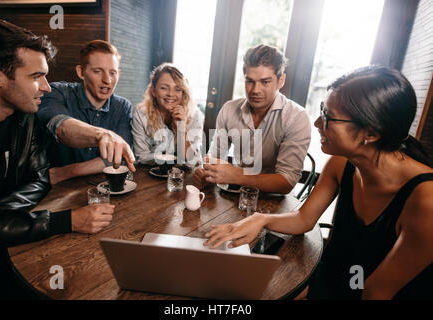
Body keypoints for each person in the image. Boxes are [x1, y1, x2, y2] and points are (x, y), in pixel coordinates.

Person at [204, 65, 433, 300]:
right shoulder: (341, 163)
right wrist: (261, 219)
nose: (316, 123)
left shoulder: (426, 201)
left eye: (328, 117)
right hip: (333, 280)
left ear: (371, 134)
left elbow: (376, 293)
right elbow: (304, 219)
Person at [0, 18, 117, 299]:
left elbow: (40, 178)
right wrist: (66, 221)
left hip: (8, 241)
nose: (46, 87)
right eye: (35, 77)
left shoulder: (25, 119)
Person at [193, 44, 311, 194]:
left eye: (265, 82)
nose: (255, 90)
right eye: (250, 81)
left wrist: (237, 176)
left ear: (281, 81)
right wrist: (205, 172)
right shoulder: (229, 109)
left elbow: (287, 181)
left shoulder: (297, 117)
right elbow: (215, 157)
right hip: (235, 193)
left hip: (274, 199)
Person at [37, 40, 135, 184]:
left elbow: (119, 157)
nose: (107, 80)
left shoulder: (123, 106)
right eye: (98, 71)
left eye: (112, 72)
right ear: (81, 72)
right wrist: (103, 135)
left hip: (99, 186)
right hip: (57, 190)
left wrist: (67, 172)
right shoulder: (56, 92)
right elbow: (60, 127)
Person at [131, 63, 204, 166]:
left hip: (185, 175)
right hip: (152, 174)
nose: (170, 94)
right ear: (153, 91)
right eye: (164, 88)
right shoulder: (141, 113)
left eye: (177, 89)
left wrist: (181, 128)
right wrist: (173, 158)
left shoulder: (195, 115)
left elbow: (193, 160)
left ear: (183, 93)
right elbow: (141, 157)